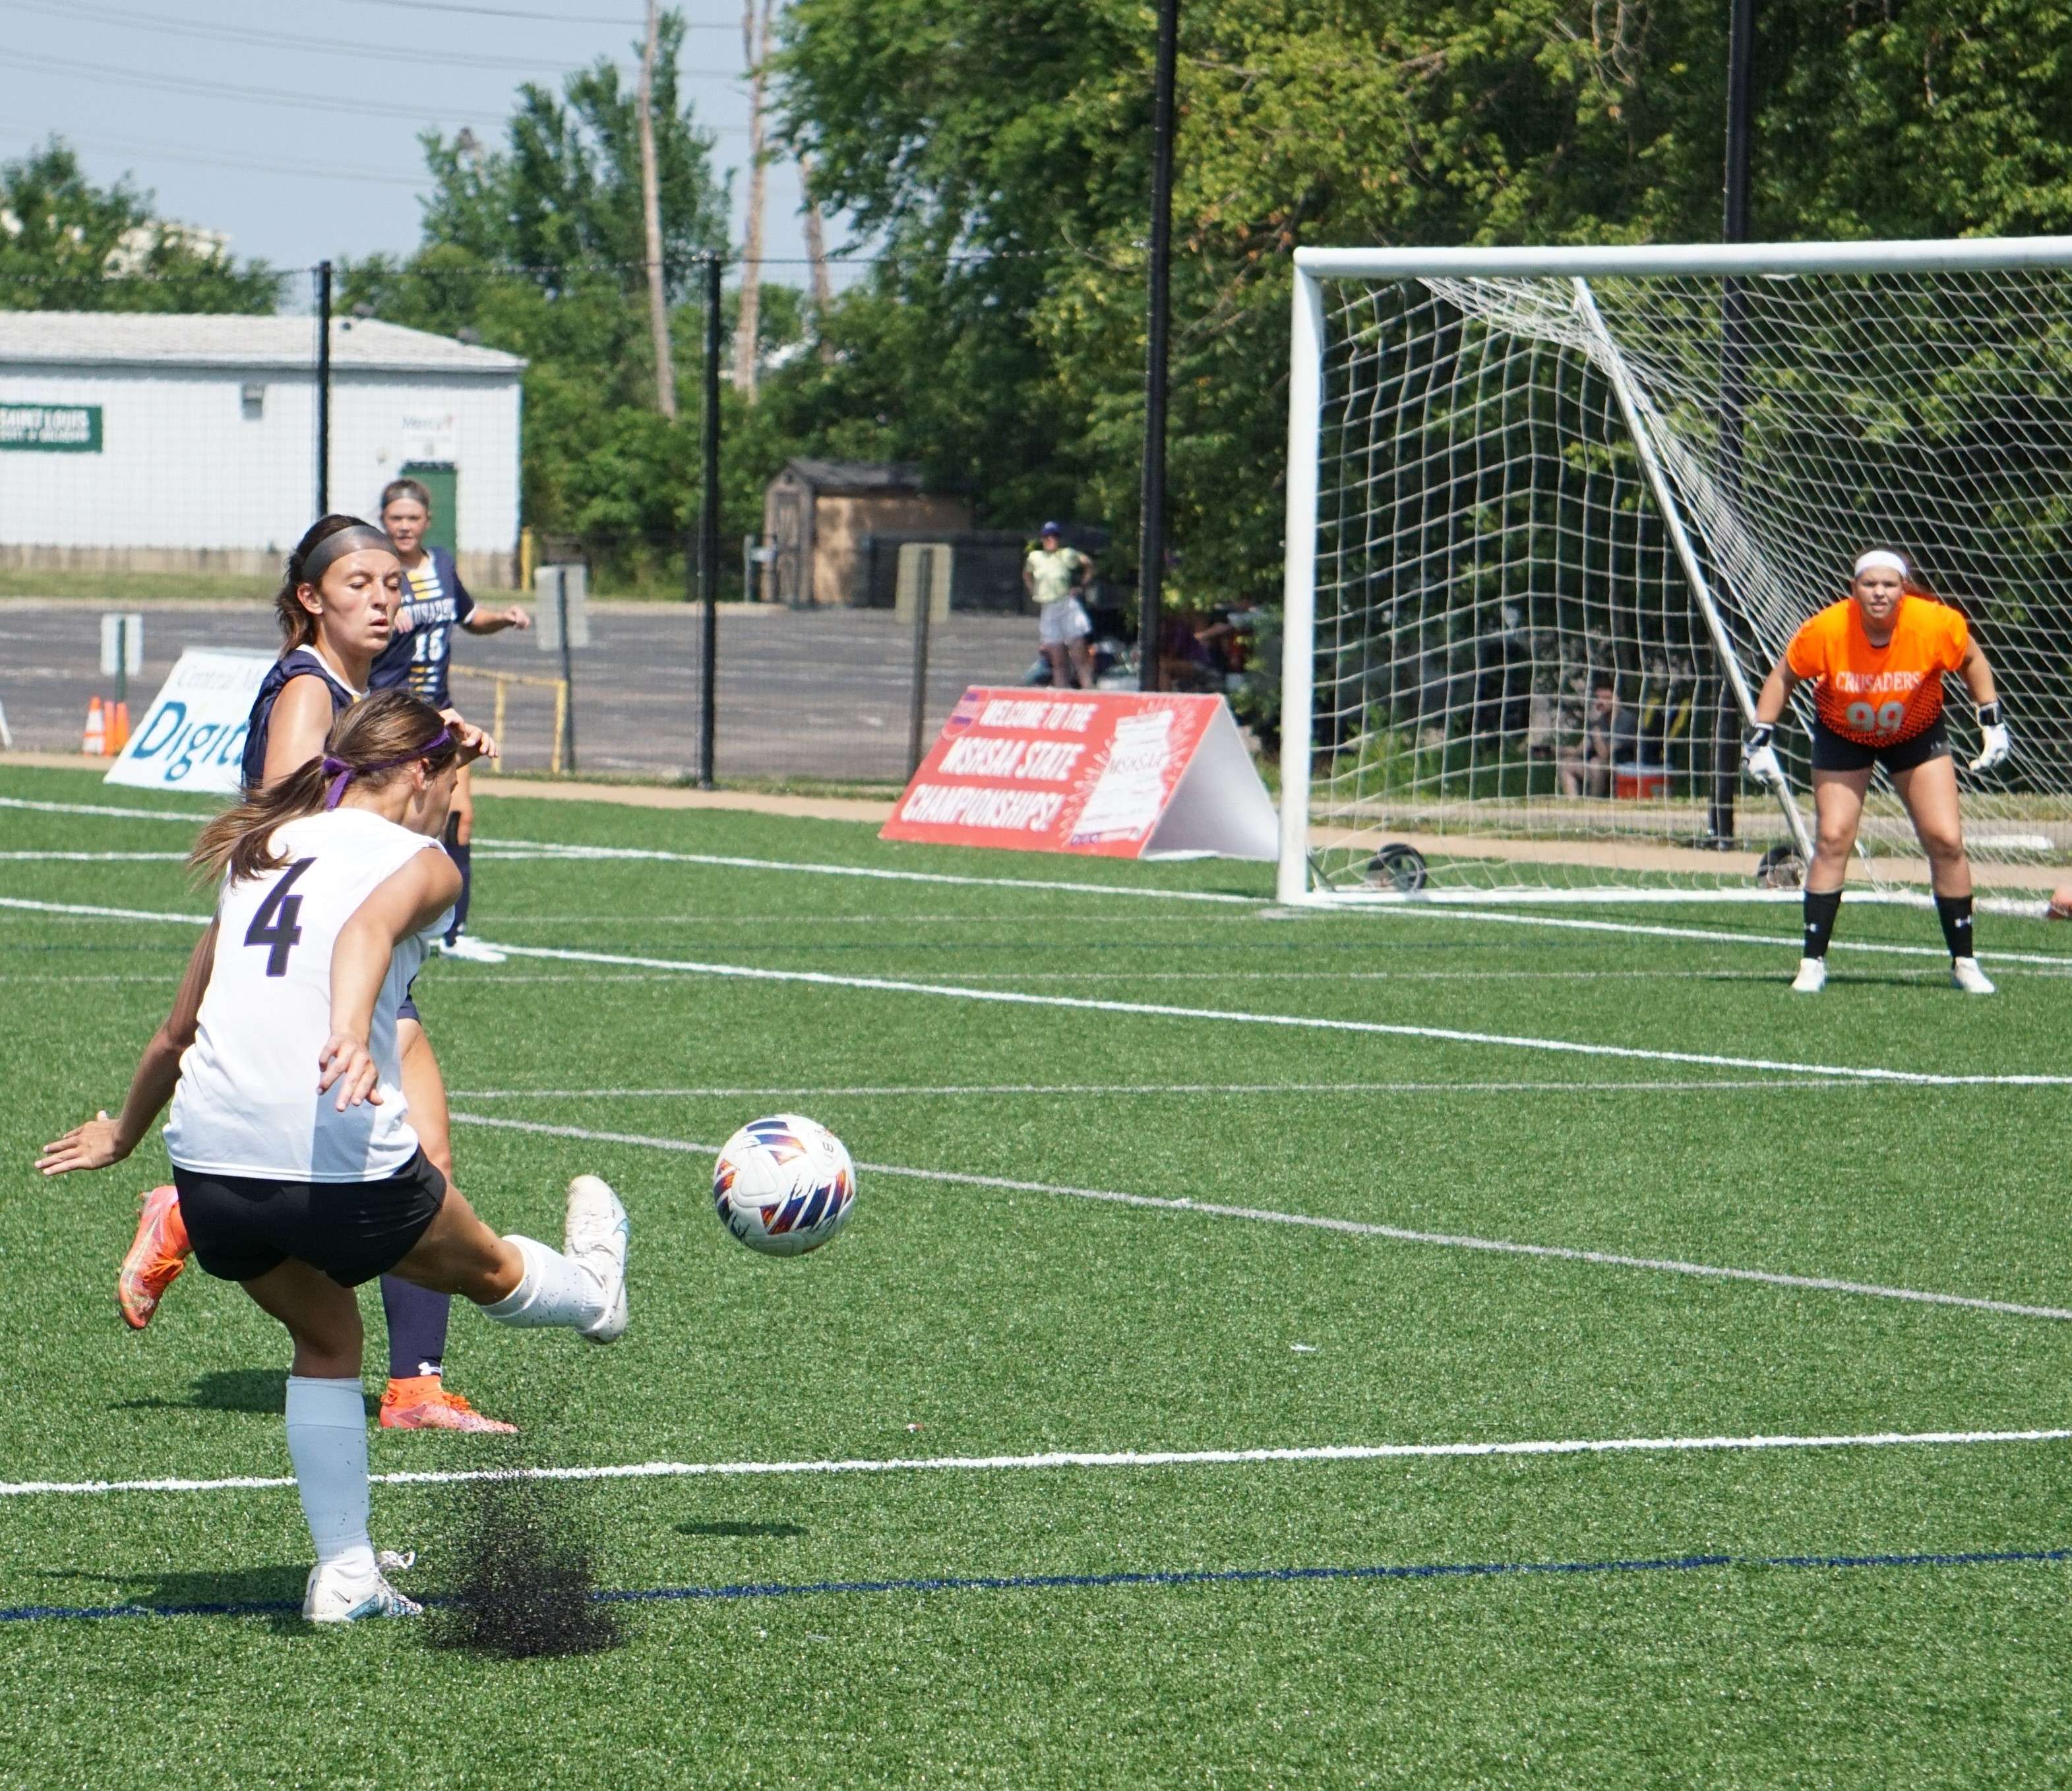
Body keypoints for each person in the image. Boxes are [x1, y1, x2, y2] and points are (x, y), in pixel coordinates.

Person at [38, 692, 628, 1622]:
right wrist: (352, 1031)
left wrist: (121, 1134)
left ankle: (345, 1573)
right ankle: (597, 1291)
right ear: (424, 777)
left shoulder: (263, 850)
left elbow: (178, 1028)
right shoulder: (424, 861)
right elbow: (362, 930)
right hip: (336, 1160)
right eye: (453, 780)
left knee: (327, 1340)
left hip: (210, 1174)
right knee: (492, 1272)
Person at [115, 514, 518, 1435]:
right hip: (321, 955)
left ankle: (417, 1384)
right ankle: (184, 1209)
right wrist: (414, 771)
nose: (385, 599)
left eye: (391, 584)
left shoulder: (358, 685)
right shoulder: (306, 689)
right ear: (310, 599)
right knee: (408, 1160)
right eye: (360, 585)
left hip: (346, 949)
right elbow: (294, 829)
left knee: (429, 1157)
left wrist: (433, 756)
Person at [1743, 547, 2010, 994]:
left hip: (1916, 731)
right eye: (1870, 584)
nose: (1880, 593)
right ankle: (1812, 962)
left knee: (1946, 840)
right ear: (1855, 590)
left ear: (1903, 590)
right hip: (1843, 733)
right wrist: (1760, 737)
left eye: (1889, 585)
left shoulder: (1932, 623)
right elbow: (1783, 676)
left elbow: (1972, 660)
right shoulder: (1827, 629)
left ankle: (1964, 960)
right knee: (1832, 839)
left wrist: (1992, 721)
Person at [370, 477, 530, 967]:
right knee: (393, 818)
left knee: (459, 817)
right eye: (395, 518)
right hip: (394, 714)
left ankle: (453, 931)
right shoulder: (376, 571)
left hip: (440, 712)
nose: (403, 526)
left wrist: (503, 617)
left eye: (412, 518)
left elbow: (469, 613)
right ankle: (383, 917)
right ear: (383, 520)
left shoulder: (440, 565)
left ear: (427, 522)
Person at [1023, 522, 1095, 690]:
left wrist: (1082, 585)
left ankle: (1089, 691)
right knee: (1057, 659)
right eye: (1047, 536)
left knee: (1078, 655)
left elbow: (1088, 564)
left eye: (1054, 536)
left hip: (1066, 604)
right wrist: (1033, 590)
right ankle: (1061, 691)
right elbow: (1026, 574)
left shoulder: (1066, 554)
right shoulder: (1035, 557)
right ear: (1042, 539)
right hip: (1048, 607)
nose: (1051, 540)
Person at [1557, 680, 1641, 798]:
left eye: (1606, 698)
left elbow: (1605, 754)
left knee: (1596, 764)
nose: (1601, 702)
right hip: (1601, 766)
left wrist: (1596, 729)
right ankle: (1573, 803)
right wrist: (1551, 750)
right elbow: (1580, 750)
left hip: (1622, 767)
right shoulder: (1600, 719)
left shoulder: (1626, 720)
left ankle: (1593, 803)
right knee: (1567, 764)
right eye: (1598, 698)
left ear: (1616, 699)